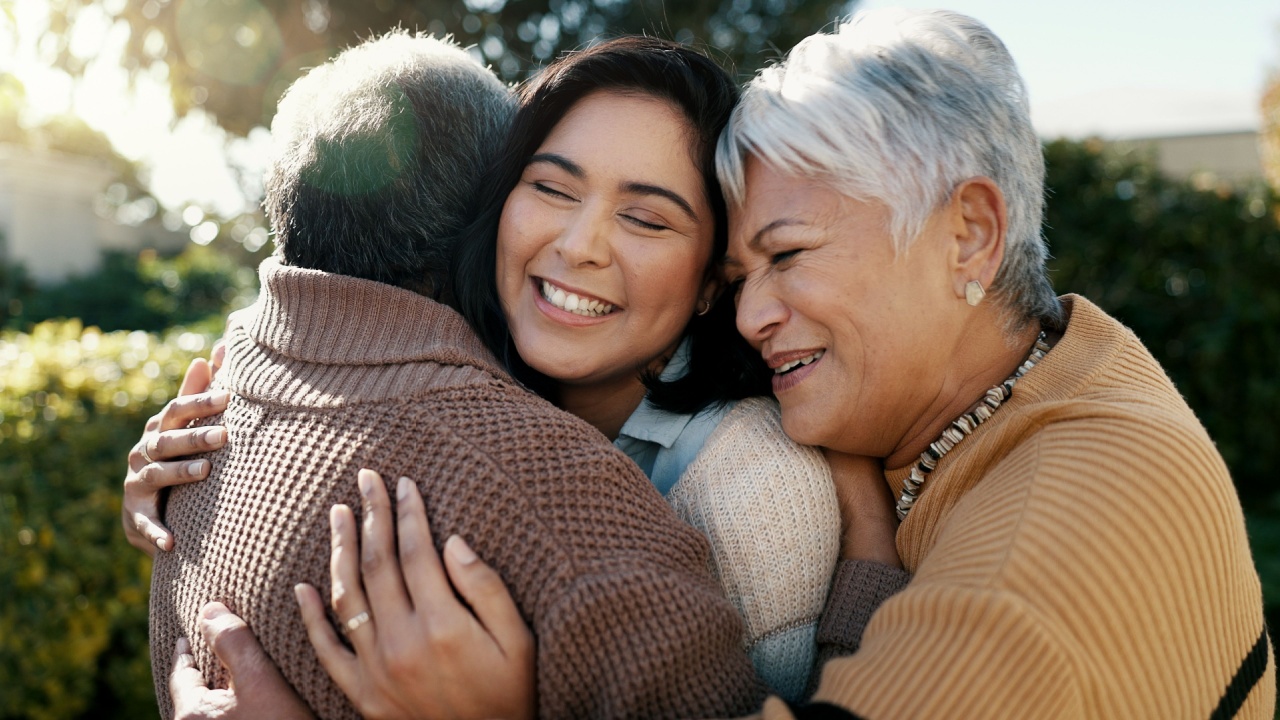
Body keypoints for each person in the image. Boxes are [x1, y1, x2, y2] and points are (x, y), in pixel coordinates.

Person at [163, 9, 1276, 719]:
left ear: (969, 237)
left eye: (784, 258)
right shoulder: (971, 395)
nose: (751, 314)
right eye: (743, 272)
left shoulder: (1057, 523)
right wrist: (231, 425)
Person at [127, 34, 883, 710]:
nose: (580, 245)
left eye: (647, 218)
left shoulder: (756, 487)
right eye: (551, 188)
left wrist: (871, 557)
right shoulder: (457, 393)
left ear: (714, 279)